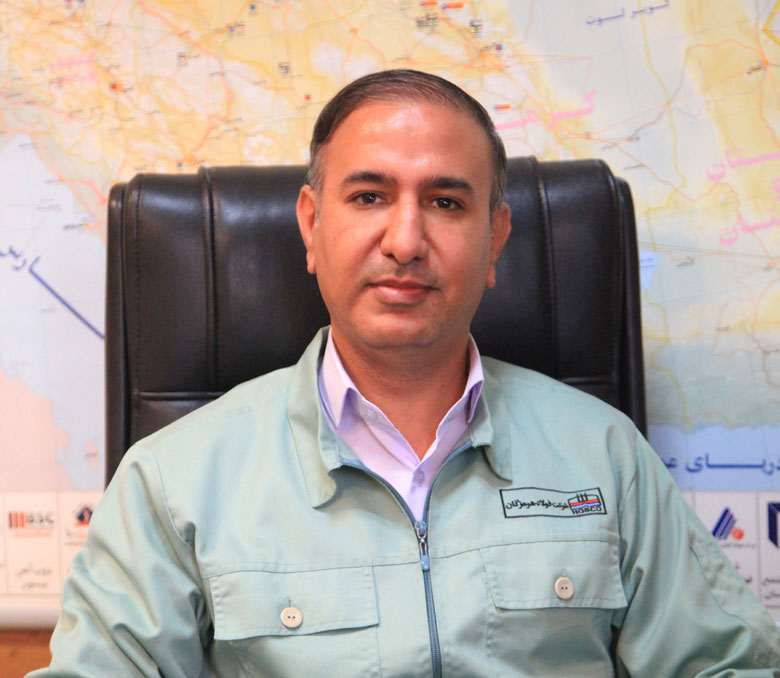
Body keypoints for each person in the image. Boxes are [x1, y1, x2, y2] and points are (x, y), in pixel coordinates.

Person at [30, 70, 780, 677]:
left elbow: (726, 667)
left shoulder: (605, 455)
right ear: (311, 225)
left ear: (495, 239)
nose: (405, 240)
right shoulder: (174, 480)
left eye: (446, 202)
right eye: (369, 197)